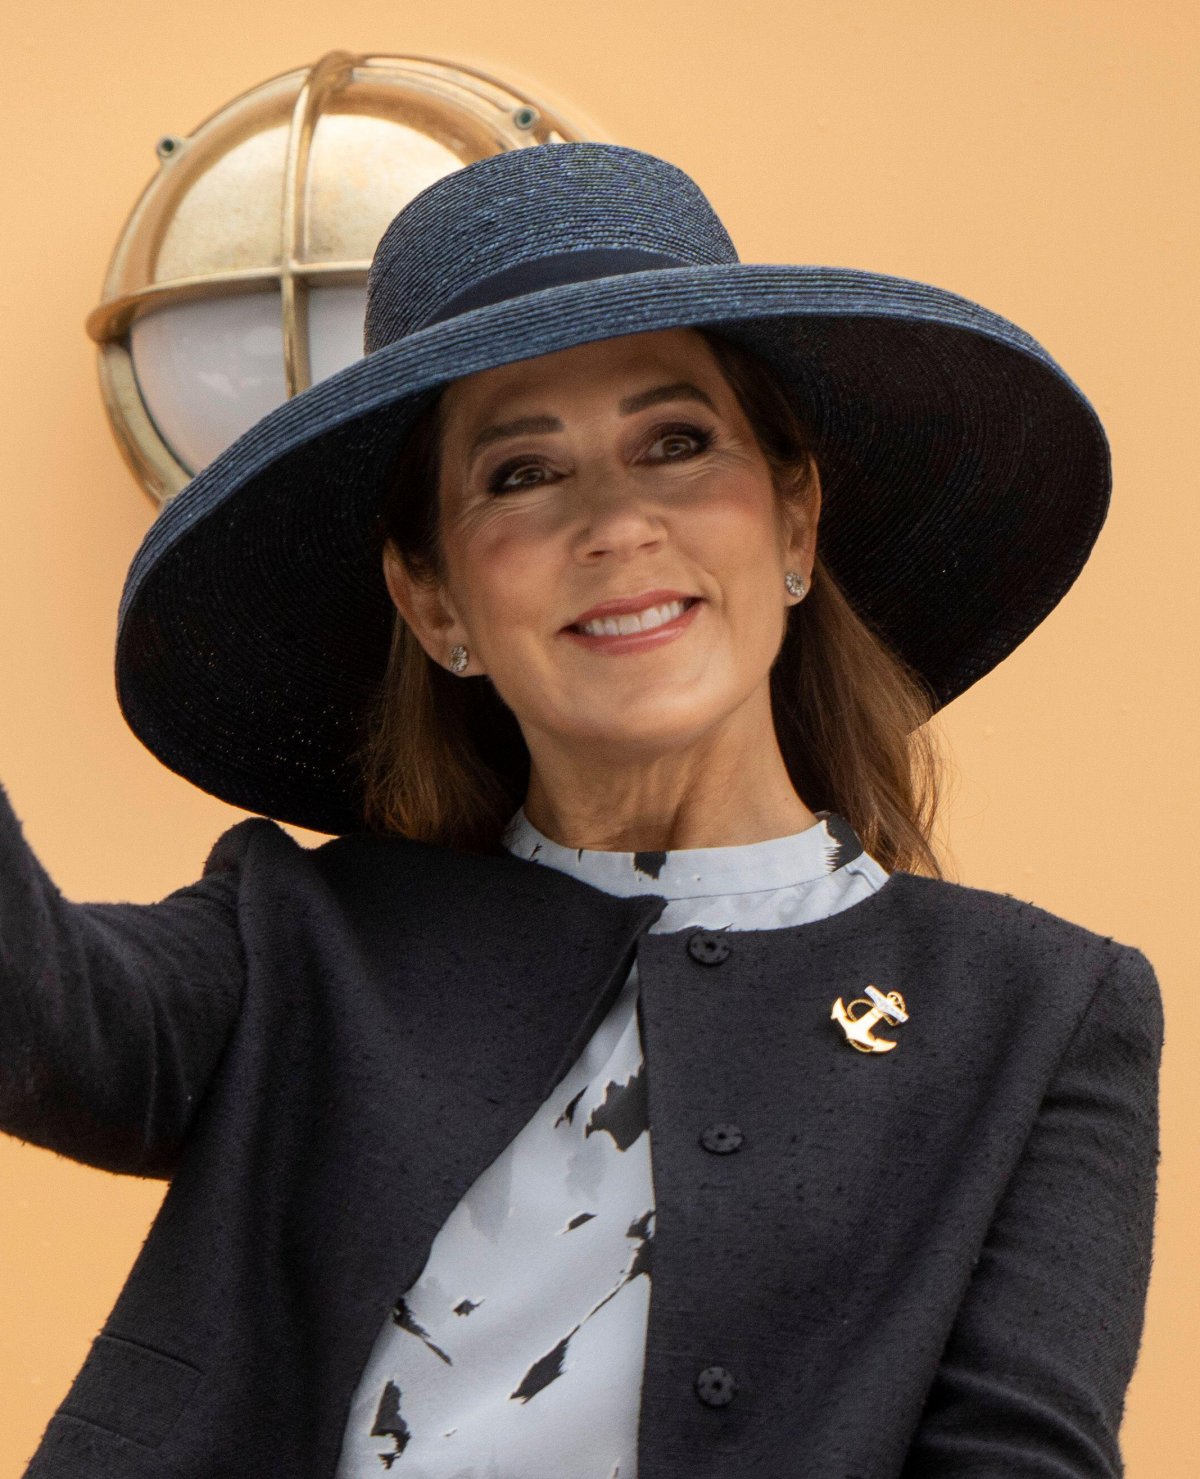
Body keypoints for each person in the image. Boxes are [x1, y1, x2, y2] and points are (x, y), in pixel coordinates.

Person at [2, 142, 1161, 1479]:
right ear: (438, 603)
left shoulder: (1043, 1012)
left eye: (676, 444)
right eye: (520, 475)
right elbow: (37, 1012)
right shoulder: (299, 941)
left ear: (792, 523)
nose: (616, 524)